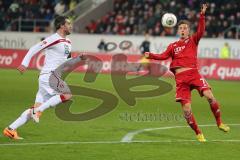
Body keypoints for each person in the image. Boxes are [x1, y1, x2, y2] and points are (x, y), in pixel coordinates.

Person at [144, 4, 230, 142]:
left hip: (194, 74)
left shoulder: (193, 40)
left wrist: (202, 15)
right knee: (186, 110)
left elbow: (201, 30)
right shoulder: (173, 46)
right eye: (181, 28)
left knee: (210, 96)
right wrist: (151, 55)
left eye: (185, 28)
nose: (183, 30)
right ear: (178, 31)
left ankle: (219, 123)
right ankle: (198, 133)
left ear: (189, 31)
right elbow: (163, 56)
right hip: (181, 80)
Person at [3, 16, 83, 139]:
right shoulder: (54, 39)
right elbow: (34, 48)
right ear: (61, 25)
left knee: (35, 108)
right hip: (49, 75)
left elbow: (66, 63)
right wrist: (25, 63)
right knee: (67, 95)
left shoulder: (68, 42)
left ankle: (10, 129)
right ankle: (38, 110)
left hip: (49, 77)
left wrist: (78, 59)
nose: (71, 26)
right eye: (68, 24)